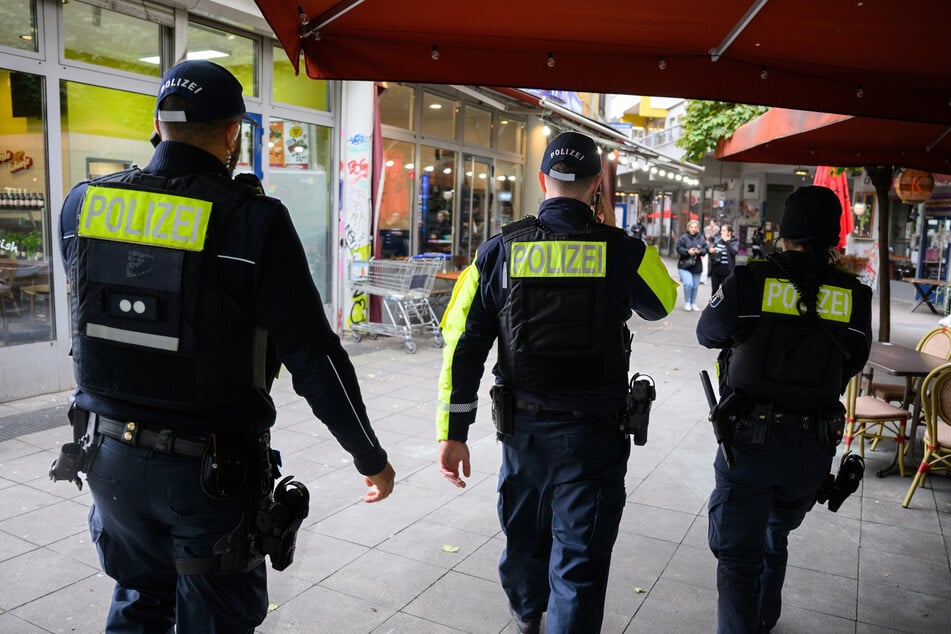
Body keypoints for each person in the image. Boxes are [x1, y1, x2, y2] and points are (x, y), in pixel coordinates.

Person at [56, 60, 395, 633]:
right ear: (233, 132)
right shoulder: (252, 221)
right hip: (208, 475)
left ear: (158, 126)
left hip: (107, 458)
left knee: (140, 598)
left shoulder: (82, 205)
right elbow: (313, 356)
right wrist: (369, 457)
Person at [435, 131, 677, 634]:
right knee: (580, 560)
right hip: (595, 437)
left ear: (543, 179)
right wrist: (618, 242)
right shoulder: (622, 251)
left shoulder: (497, 251)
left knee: (524, 537)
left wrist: (453, 432)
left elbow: (462, 344)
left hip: (523, 433)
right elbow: (663, 302)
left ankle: (527, 614)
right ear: (596, 184)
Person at [695, 186, 872, 634]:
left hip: (748, 445)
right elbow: (854, 360)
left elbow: (707, 334)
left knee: (738, 557)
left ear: (784, 233)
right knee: (776, 533)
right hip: (811, 450)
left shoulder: (751, 281)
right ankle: (765, 619)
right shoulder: (854, 294)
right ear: (833, 238)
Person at [676, 219, 706, 311]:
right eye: (691, 227)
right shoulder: (683, 238)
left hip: (697, 266)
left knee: (695, 287)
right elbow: (678, 248)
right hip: (685, 265)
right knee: (688, 284)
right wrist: (687, 251)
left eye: (695, 227)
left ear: (698, 228)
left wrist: (700, 251)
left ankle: (693, 303)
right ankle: (687, 302)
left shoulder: (701, 238)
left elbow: (705, 250)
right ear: (688, 228)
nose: (693, 229)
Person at [707, 223, 739, 295]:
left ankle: (724, 303)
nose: (721, 232)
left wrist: (727, 242)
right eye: (721, 230)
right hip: (716, 271)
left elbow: (734, 252)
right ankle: (714, 302)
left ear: (729, 232)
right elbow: (711, 249)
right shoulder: (717, 240)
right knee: (715, 291)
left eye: (724, 231)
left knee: (725, 292)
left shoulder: (733, 241)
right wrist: (710, 250)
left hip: (727, 272)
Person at [701, 218, 720, 284]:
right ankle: (706, 273)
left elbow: (718, 238)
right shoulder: (706, 229)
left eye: (712, 223)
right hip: (707, 245)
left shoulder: (717, 230)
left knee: (712, 260)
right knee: (706, 260)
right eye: (710, 223)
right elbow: (703, 236)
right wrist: (705, 240)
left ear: (715, 223)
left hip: (714, 246)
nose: (711, 224)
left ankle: (711, 272)